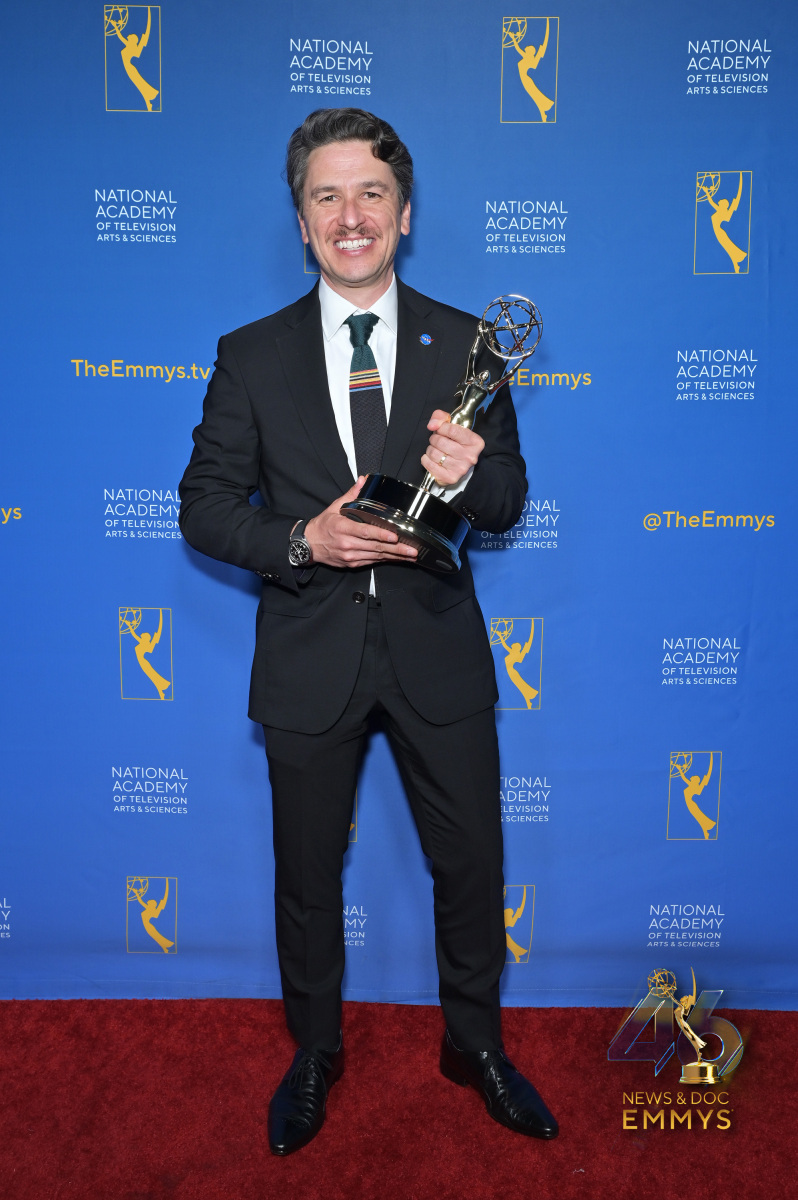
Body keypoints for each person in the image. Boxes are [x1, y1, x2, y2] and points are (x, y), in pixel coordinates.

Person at [179, 108, 558, 1156]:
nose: (352, 216)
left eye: (372, 194)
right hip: (309, 656)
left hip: (438, 650)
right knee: (307, 880)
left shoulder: (471, 344)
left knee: (471, 865)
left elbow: (508, 499)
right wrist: (305, 538)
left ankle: (474, 1045)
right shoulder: (249, 355)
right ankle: (314, 1052)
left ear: (405, 213)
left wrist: (469, 475)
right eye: (327, 196)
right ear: (302, 221)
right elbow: (204, 507)